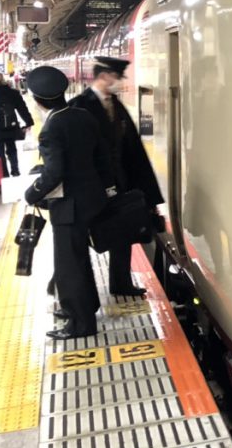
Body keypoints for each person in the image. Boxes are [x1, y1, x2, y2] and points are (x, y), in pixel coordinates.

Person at [25, 66, 114, 340]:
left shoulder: (51, 128)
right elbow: (101, 156)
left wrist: (32, 193)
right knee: (79, 257)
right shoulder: (82, 116)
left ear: (38, 100)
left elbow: (55, 172)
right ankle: (86, 305)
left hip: (69, 205)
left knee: (69, 264)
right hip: (92, 197)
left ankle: (80, 323)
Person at [69, 56, 163, 298]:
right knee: (83, 238)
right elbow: (77, 152)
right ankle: (62, 284)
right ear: (104, 76)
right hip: (93, 186)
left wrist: (147, 194)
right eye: (118, 77)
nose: (121, 83)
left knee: (123, 232)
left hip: (120, 182)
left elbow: (133, 150)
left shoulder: (116, 106)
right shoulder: (80, 105)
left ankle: (121, 283)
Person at [0, 72, 35, 177]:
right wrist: (29, 121)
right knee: (12, 149)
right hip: (11, 126)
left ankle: (4, 174)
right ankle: (15, 170)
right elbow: (22, 108)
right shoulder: (13, 93)